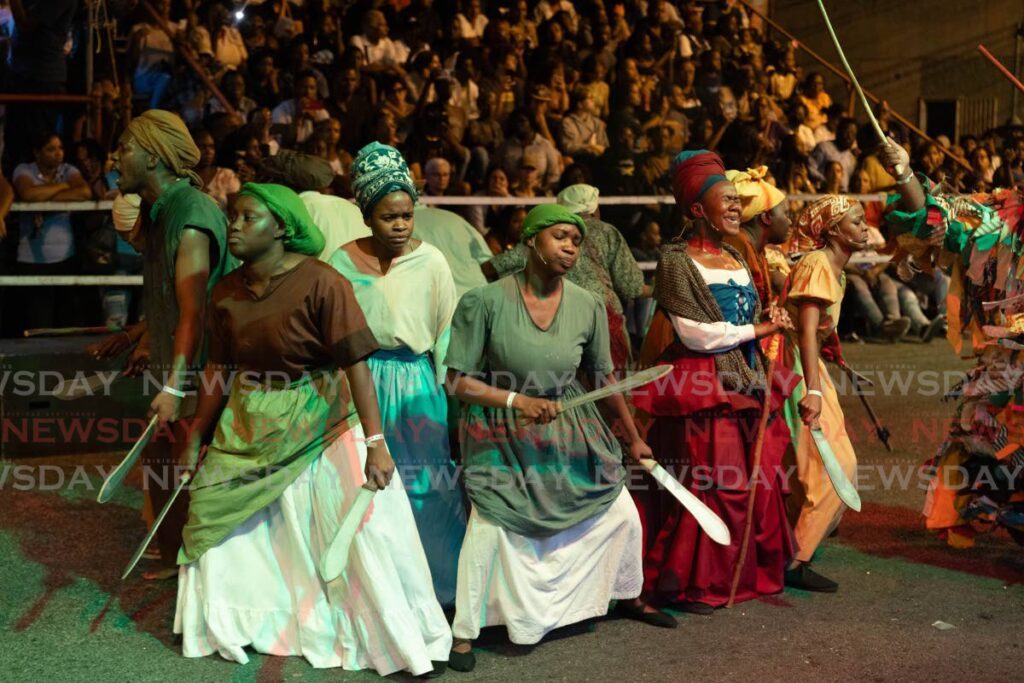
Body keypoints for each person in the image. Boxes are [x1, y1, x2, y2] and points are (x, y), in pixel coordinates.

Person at [173, 182, 451, 676]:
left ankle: (360, 630)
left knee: (357, 533)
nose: (234, 226)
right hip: (248, 419)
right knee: (212, 516)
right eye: (233, 216)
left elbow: (356, 365)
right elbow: (217, 367)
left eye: (248, 217)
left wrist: (375, 444)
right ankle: (246, 622)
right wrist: (197, 432)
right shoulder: (227, 291)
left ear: (281, 227)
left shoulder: (322, 281)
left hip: (319, 417)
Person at [445, 203, 676, 673]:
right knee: (490, 525)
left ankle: (627, 593)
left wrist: (632, 439)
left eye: (576, 240)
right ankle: (464, 632)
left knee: (621, 511)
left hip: (570, 420)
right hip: (501, 426)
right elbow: (457, 382)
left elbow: (604, 377)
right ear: (531, 241)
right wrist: (516, 402)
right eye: (560, 237)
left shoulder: (587, 304)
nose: (571, 247)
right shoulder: (484, 302)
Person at [633, 150, 794, 612]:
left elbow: (745, 315)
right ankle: (685, 583)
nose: (735, 209)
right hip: (701, 386)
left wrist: (768, 317)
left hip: (744, 378)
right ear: (697, 209)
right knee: (711, 483)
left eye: (737, 203)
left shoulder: (733, 255)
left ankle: (730, 578)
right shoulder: (677, 262)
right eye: (725, 201)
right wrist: (757, 330)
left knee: (750, 481)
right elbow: (694, 334)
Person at [328, 143, 467, 606]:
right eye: (389, 217)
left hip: (416, 387)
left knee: (428, 490)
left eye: (407, 214)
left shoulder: (432, 262)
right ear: (367, 214)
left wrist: (453, 406)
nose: (401, 225)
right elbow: (330, 338)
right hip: (358, 386)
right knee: (363, 491)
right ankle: (376, 601)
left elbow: (446, 336)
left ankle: (440, 596)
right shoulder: (340, 263)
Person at [111, 110, 234, 580]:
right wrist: (142, 340)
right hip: (181, 370)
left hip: (202, 375)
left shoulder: (192, 213)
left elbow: (194, 311)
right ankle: (176, 558)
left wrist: (177, 387)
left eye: (124, 147)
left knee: (185, 464)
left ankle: (197, 567)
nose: (116, 157)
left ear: (153, 155)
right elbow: (168, 302)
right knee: (162, 461)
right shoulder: (163, 213)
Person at [778, 194, 871, 592]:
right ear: (832, 231)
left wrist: (837, 356)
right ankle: (795, 560)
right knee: (835, 466)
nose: (865, 227)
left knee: (809, 464)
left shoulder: (836, 268)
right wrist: (813, 390)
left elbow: (818, 328)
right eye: (856, 221)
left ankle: (789, 546)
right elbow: (803, 331)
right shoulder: (818, 264)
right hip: (797, 368)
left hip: (808, 367)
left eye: (864, 220)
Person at [483, 184, 646, 371]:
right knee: (611, 388)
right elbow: (631, 286)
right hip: (605, 321)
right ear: (594, 209)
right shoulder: (607, 231)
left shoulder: (543, 236)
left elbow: (493, 267)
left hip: (559, 323)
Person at [10, 132, 93, 333]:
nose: (58, 154)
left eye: (60, 148)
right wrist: (64, 187)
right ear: (37, 153)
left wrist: (44, 202)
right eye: (51, 149)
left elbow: (84, 192)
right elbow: (29, 194)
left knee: (66, 321)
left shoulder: (68, 170)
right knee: (38, 322)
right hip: (32, 261)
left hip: (66, 257)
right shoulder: (24, 170)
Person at [722, 166, 792, 303]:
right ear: (766, 217)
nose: (790, 222)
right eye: (786, 214)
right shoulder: (737, 244)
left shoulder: (756, 249)